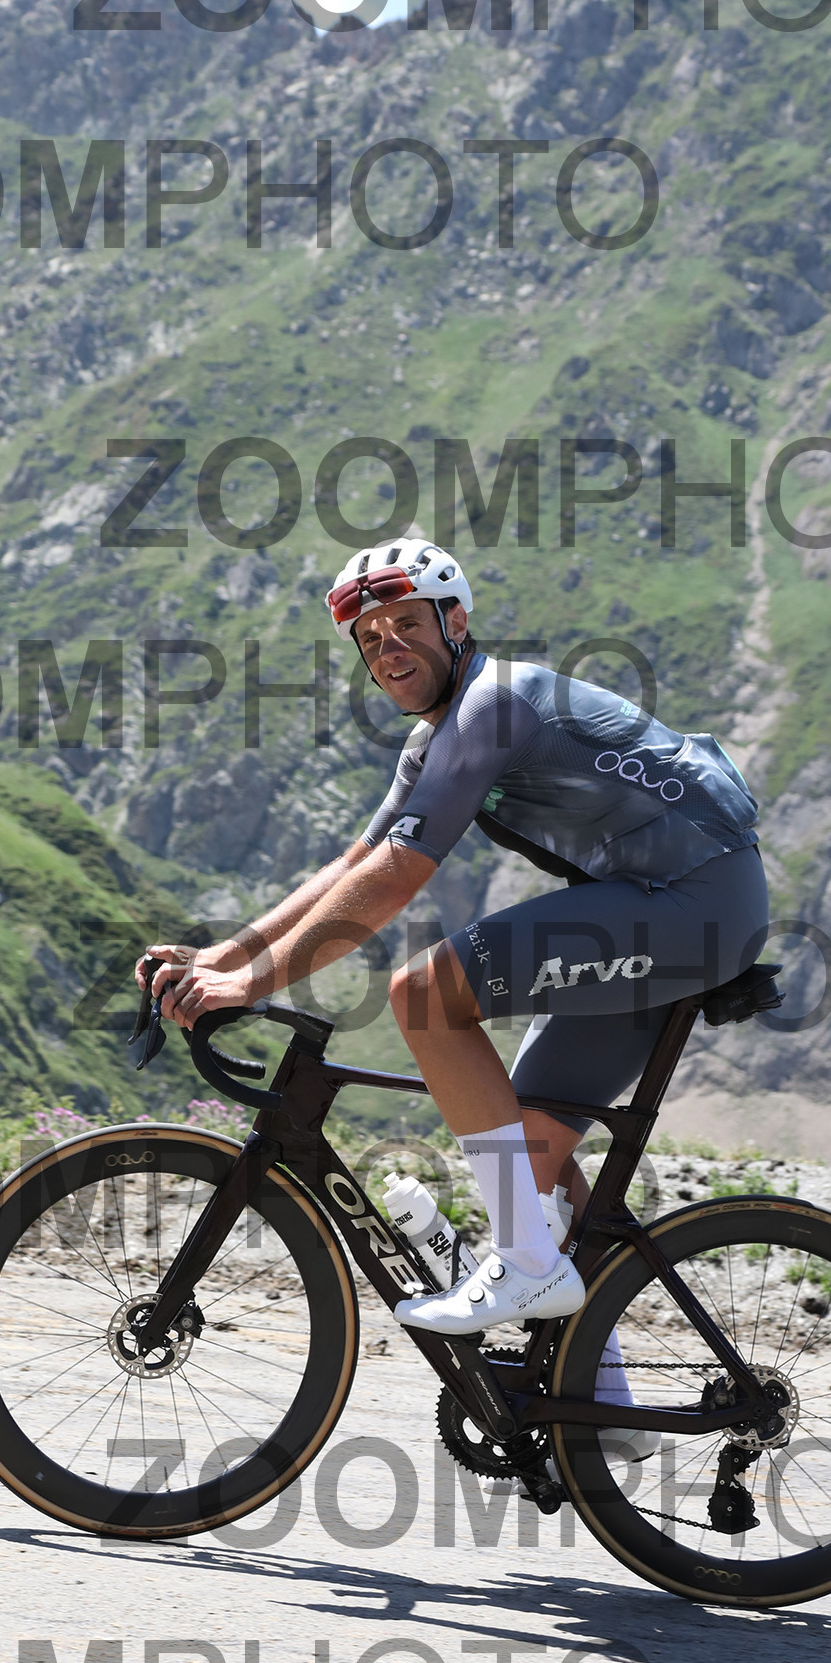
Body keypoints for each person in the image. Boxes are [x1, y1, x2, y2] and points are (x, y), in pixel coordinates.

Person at [140, 540, 768, 1393]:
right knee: (530, 1156)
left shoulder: (493, 706)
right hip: (658, 909)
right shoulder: (436, 738)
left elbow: (398, 876)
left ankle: (525, 1267)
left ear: (456, 620)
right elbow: (355, 863)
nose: (388, 647)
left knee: (427, 996)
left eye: (407, 624)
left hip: (691, 902)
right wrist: (221, 957)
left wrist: (251, 984)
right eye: (370, 638)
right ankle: (596, 1398)